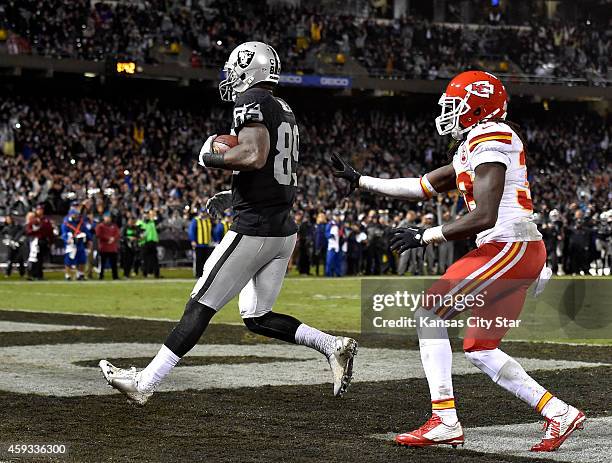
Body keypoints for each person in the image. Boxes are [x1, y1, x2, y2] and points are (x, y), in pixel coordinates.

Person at [331, 70, 584, 452]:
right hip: (513, 248)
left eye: (455, 104)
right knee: (480, 347)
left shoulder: (491, 136)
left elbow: (484, 214)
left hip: (507, 246)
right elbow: (421, 186)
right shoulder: (475, 143)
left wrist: (424, 236)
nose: (447, 112)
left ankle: (445, 420)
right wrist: (363, 181)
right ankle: (559, 412)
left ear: (477, 107)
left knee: (429, 312)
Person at [100, 41, 357, 405]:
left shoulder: (251, 99)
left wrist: (211, 156)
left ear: (249, 69)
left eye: (234, 68)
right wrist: (232, 193)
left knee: (199, 305)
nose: (230, 76)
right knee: (257, 316)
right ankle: (333, 346)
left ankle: (145, 383)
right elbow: (271, 169)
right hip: (282, 229)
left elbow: (253, 154)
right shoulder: (283, 108)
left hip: (255, 229)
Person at [61, 208, 92, 281]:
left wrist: (89, 238)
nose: (77, 216)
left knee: (82, 259)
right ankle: (68, 275)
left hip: (80, 242)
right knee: (69, 260)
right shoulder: (66, 223)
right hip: (71, 243)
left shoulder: (81, 223)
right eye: (75, 214)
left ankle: (80, 274)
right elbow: (64, 233)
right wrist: (67, 239)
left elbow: (86, 231)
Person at [25, 204, 54, 280]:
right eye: (39, 209)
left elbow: (50, 232)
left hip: (43, 241)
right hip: (35, 241)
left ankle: (39, 275)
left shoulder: (46, 220)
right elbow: (28, 231)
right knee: (33, 258)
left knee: (40, 259)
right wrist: (34, 230)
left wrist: (51, 241)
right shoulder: (33, 220)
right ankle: (31, 274)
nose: (40, 211)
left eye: (41, 209)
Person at [188, 208, 214, 278]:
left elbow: (211, 231)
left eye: (204, 212)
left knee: (206, 260)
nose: (203, 214)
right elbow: (191, 231)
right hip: (198, 244)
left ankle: (204, 274)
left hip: (207, 244)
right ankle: (198, 274)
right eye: (202, 212)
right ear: (200, 213)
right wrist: (193, 240)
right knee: (199, 260)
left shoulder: (208, 220)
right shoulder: (195, 220)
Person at [96, 211, 120, 280]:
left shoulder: (114, 225)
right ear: (104, 218)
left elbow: (117, 233)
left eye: (109, 217)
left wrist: (113, 238)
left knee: (114, 264)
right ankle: (101, 276)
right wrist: (108, 238)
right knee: (102, 264)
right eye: (106, 217)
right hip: (104, 247)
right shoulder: (100, 226)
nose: (108, 219)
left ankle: (115, 276)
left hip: (112, 248)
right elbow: (98, 234)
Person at [138, 210, 160, 278]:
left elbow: (157, 229)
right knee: (145, 259)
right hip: (145, 243)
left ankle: (156, 274)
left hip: (152, 242)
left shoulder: (152, 222)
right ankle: (145, 273)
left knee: (154, 259)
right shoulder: (140, 223)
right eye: (145, 215)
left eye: (148, 215)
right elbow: (138, 232)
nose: (147, 216)